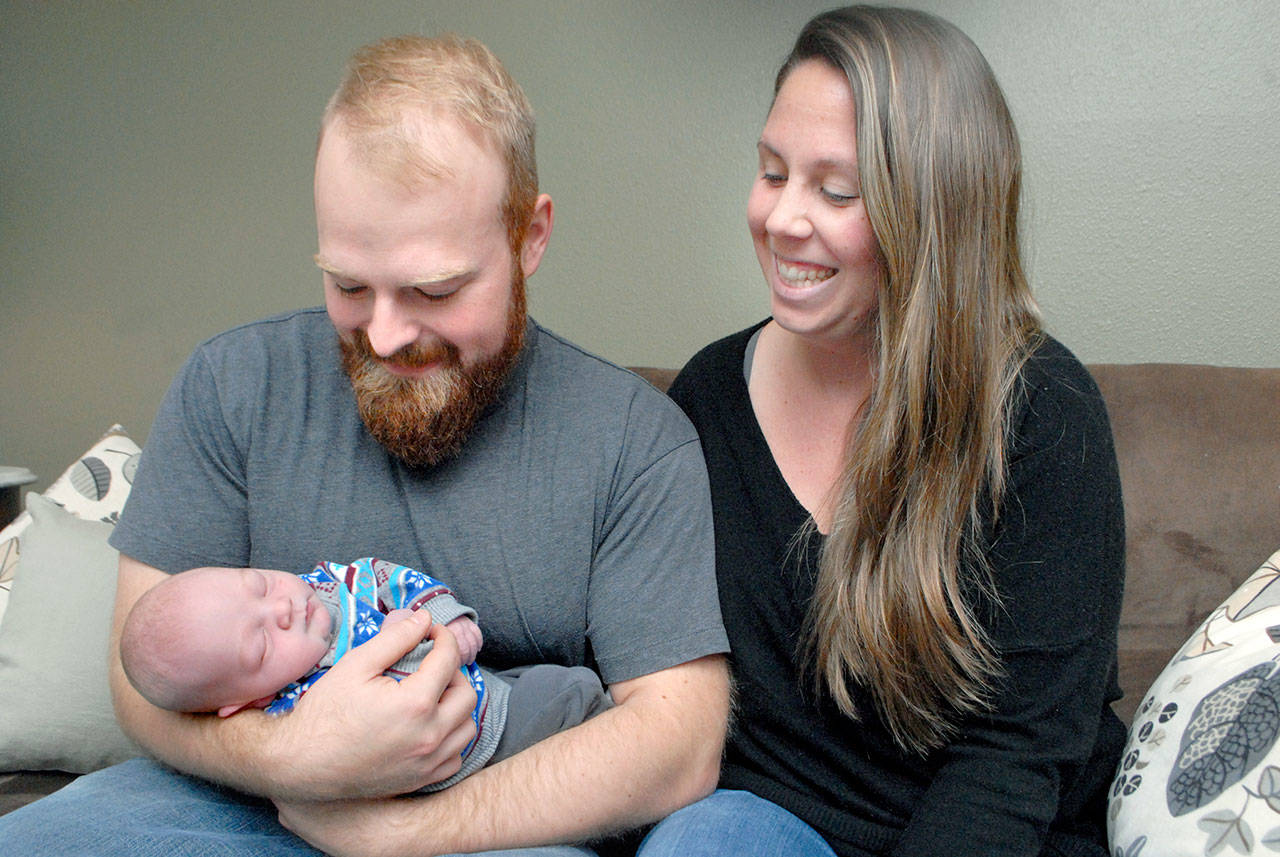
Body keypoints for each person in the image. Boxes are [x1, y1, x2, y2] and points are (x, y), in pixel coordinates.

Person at [0, 33, 730, 857]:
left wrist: (407, 829)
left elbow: (680, 740)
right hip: (235, 806)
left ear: (530, 237)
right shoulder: (233, 384)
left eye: (435, 289)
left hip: (491, 817)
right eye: (348, 284)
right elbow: (142, 683)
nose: (383, 333)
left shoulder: (636, 442)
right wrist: (295, 753)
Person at [639, 7, 1125, 857]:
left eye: (835, 190)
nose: (785, 218)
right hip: (762, 828)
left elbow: (1015, 760)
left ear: (931, 208)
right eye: (771, 172)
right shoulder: (708, 398)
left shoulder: (1043, 414)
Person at [119, 559, 614, 792]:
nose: (283, 607)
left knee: (540, 681)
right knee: (569, 691)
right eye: (263, 642)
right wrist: (388, 648)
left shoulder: (326, 587)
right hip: (467, 758)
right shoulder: (298, 705)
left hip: (487, 685)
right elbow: (371, 736)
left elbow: (388, 577)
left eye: (260, 584)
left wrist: (442, 615)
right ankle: (607, 724)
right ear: (245, 704)